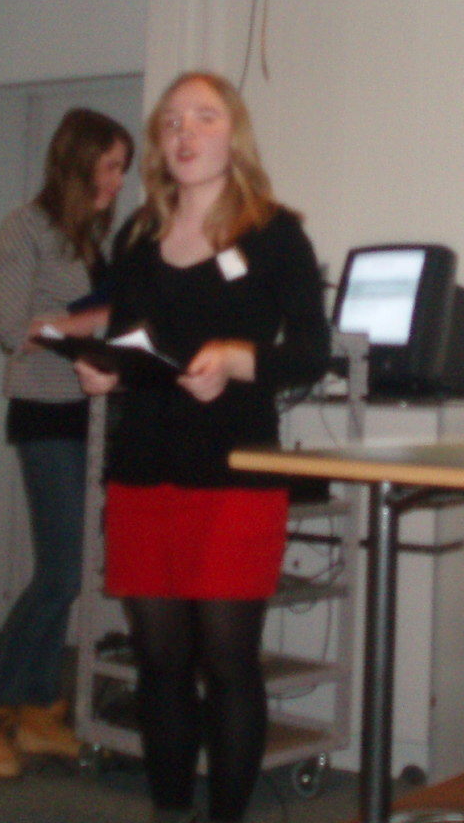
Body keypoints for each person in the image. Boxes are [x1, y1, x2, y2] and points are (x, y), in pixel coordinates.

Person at [75, 72, 329, 823]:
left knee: (227, 663)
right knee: (158, 662)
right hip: (143, 470)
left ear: (234, 134)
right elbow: (130, 343)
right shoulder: (137, 235)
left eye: (204, 117)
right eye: (172, 122)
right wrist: (105, 372)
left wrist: (237, 360)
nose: (185, 133)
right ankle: (169, 811)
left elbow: (312, 352)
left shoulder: (274, 233)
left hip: (233, 473)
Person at [0, 107, 134, 779]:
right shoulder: (24, 229)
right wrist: (89, 319)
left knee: (69, 576)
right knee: (61, 574)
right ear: (79, 162)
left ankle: (39, 713)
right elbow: (12, 330)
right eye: (110, 167)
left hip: (92, 417)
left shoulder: (92, 238)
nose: (117, 182)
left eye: (122, 169)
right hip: (44, 414)